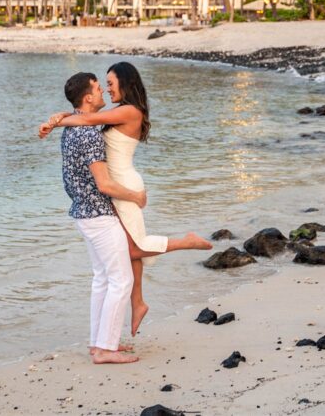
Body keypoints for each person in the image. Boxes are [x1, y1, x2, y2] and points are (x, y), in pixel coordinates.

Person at [41, 62, 212, 336]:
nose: (107, 90)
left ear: (125, 81)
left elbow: (85, 118)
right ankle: (138, 301)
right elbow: (84, 113)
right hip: (116, 188)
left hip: (123, 187)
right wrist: (60, 116)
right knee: (130, 247)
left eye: (110, 84)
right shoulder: (118, 111)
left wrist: (54, 122)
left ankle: (186, 242)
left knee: (132, 248)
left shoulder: (130, 111)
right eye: (103, 86)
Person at [58, 72, 147, 364]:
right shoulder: (89, 133)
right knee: (121, 280)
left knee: (102, 279)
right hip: (98, 213)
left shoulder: (72, 128)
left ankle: (99, 343)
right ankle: (105, 350)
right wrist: (135, 196)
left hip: (83, 214)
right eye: (98, 89)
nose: (102, 94)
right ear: (87, 97)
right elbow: (104, 184)